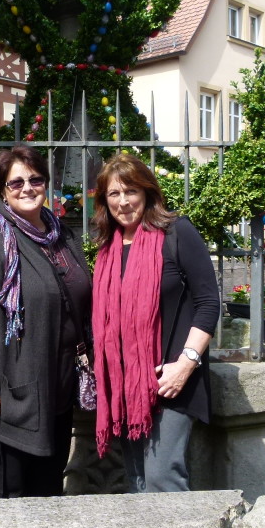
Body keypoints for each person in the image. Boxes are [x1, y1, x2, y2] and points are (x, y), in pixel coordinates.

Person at [0, 145, 92, 499]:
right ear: (3, 189)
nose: (27, 188)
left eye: (35, 179)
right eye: (16, 183)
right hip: (10, 397)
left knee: (47, 490)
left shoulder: (63, 237)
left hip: (57, 389)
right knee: (7, 493)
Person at [90, 154, 220, 492]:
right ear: (104, 201)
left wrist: (186, 364)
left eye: (131, 191)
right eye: (113, 194)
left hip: (171, 380)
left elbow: (208, 303)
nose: (123, 201)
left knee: (163, 479)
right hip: (127, 384)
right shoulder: (108, 249)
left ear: (147, 192)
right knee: (136, 480)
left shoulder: (177, 232)